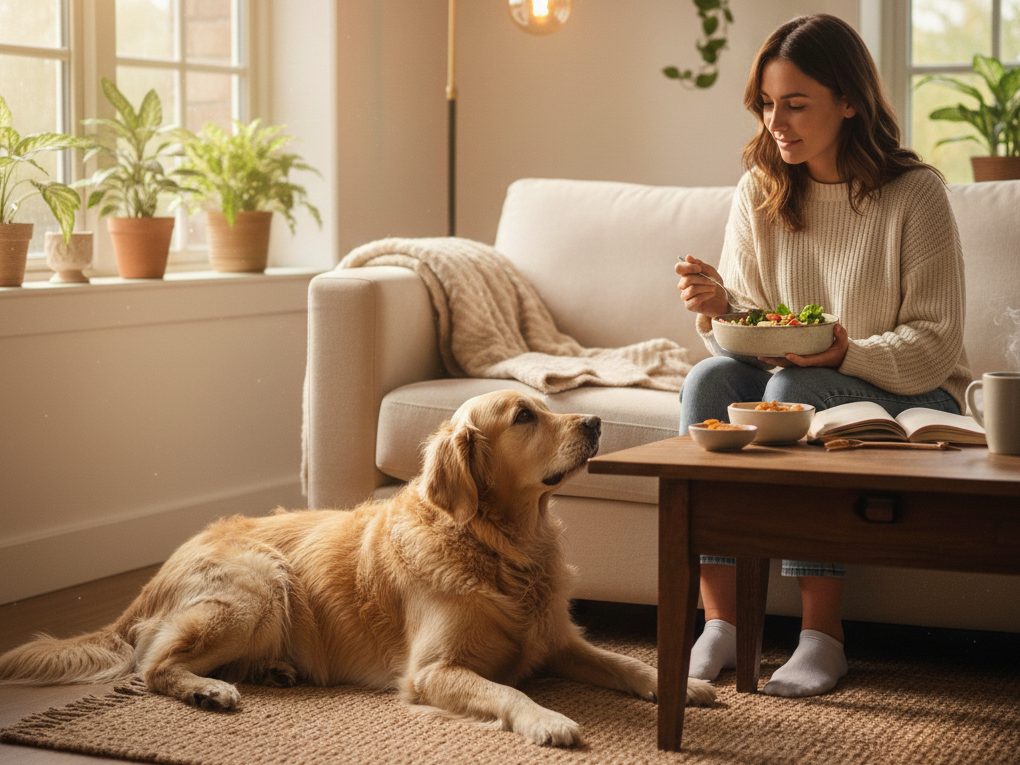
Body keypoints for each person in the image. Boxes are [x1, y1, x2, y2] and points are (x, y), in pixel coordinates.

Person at [674, 14, 971, 698]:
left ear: (849, 100)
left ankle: (823, 635)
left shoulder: (913, 192)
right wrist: (720, 309)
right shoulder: (761, 186)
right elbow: (752, 327)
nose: (778, 122)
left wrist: (848, 351)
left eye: (796, 104)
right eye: (768, 104)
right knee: (710, 379)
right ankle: (720, 622)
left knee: (791, 391)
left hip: (909, 389)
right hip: (796, 372)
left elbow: (936, 341)